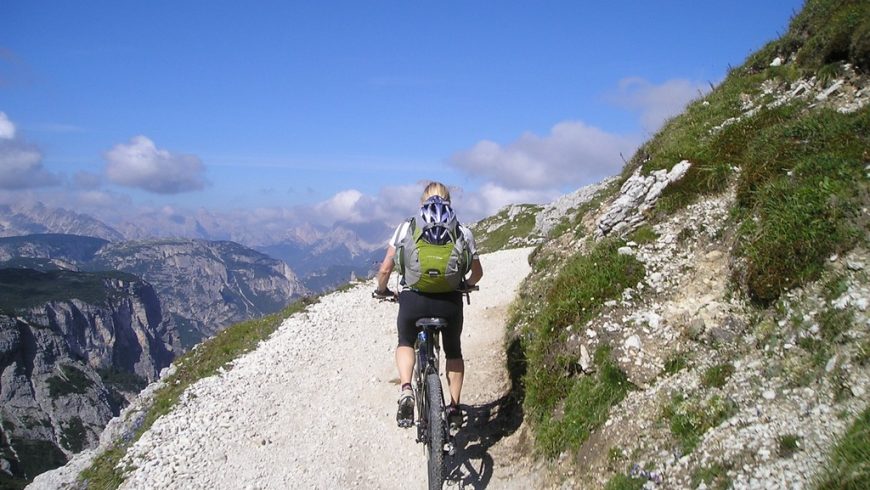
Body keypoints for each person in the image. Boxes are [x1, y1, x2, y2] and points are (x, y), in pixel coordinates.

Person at [375, 181, 483, 428]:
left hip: (413, 300)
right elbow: (477, 272)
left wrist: (382, 290)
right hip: (450, 303)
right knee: (453, 351)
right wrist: (465, 284)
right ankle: (454, 407)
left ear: (422, 203)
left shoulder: (406, 227)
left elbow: (385, 268)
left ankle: (405, 390)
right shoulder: (462, 231)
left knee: (405, 341)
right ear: (449, 203)